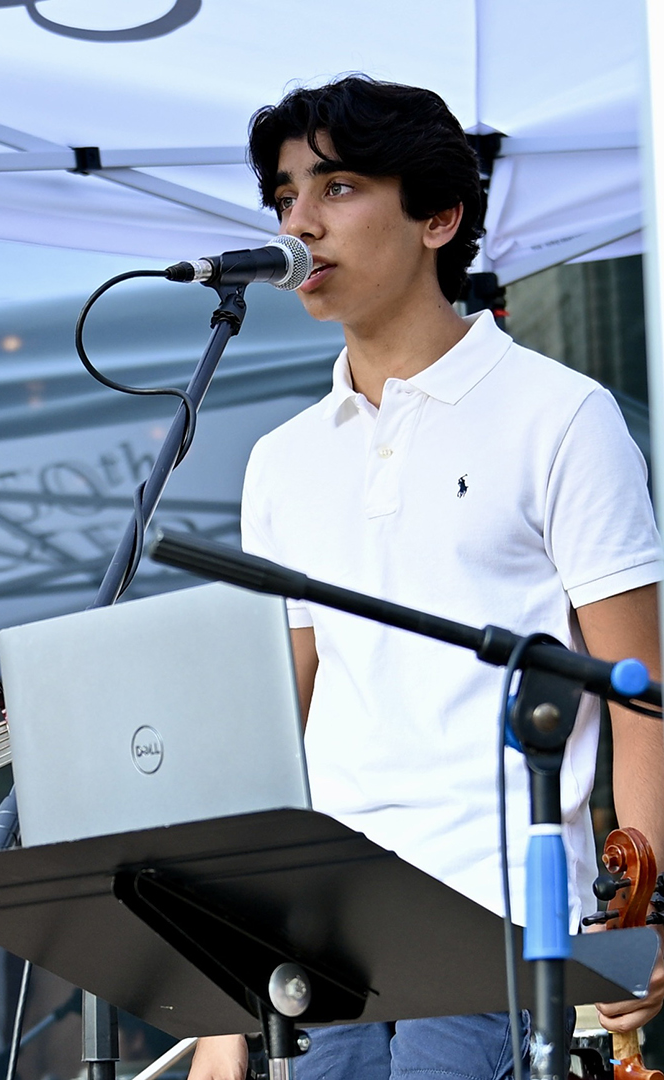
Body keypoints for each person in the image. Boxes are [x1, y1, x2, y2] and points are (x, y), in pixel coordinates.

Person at [188, 77, 664, 1080]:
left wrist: (641, 913)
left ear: (438, 217)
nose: (298, 223)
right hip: (321, 933)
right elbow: (280, 723)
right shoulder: (280, 460)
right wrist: (226, 1001)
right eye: (283, 197)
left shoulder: (561, 416)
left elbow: (640, 693)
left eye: (336, 187)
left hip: (499, 919)